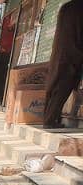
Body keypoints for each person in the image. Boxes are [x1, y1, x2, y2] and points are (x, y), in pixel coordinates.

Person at [43, 0, 83, 128]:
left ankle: (49, 119)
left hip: (61, 52)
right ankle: (49, 121)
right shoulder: (78, 9)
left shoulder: (67, 7)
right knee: (63, 88)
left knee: (55, 86)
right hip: (72, 53)